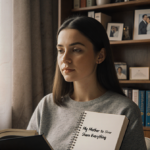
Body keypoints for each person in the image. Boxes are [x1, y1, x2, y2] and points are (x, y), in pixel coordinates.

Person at [27, 16, 147, 150]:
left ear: (100, 56)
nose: (65, 59)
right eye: (61, 50)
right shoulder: (47, 105)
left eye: (76, 50)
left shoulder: (124, 110)